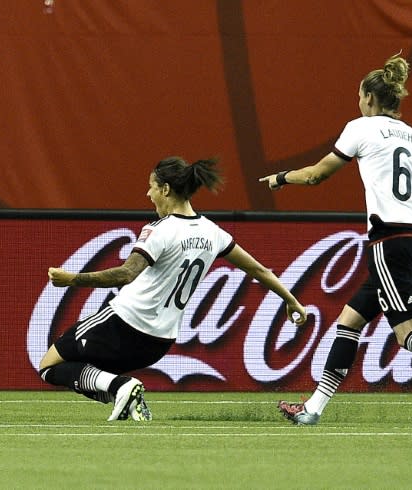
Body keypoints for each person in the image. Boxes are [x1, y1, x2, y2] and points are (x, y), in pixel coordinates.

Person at [260, 53, 412, 427]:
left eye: (359, 96)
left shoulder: (361, 127)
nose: (358, 103)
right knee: (349, 321)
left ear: (370, 98)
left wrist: (281, 177)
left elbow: (316, 176)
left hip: (388, 241)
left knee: (408, 333)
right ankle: (313, 410)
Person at [40, 156, 308, 421]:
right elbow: (258, 269)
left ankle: (123, 388)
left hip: (122, 324)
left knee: (49, 366)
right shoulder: (213, 232)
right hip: (159, 342)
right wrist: (291, 299)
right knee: (92, 375)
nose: (148, 194)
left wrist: (72, 279)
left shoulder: (160, 230)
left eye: (152, 187)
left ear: (165, 189)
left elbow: (127, 273)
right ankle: (127, 398)